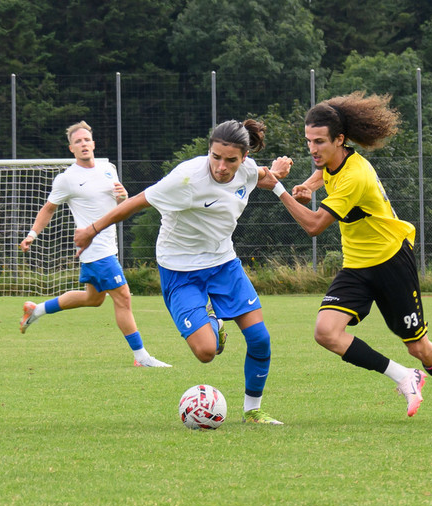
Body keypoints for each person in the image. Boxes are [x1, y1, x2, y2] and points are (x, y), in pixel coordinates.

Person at [265, 92, 432, 422]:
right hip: (357, 265)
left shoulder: (355, 176)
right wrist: (307, 185)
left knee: (419, 347)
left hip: (392, 263)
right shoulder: (336, 161)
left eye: (319, 141)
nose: (313, 149)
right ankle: (404, 377)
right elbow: (325, 172)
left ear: (340, 140)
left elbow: (315, 225)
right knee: (326, 332)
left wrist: (279, 188)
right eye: (308, 141)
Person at [74, 119, 293, 424]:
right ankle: (214, 326)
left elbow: (263, 177)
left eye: (230, 160)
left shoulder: (247, 170)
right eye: (215, 157)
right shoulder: (187, 178)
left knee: (260, 339)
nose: (221, 166)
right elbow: (136, 203)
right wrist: (92, 230)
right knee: (206, 352)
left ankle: (252, 411)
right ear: (209, 151)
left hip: (224, 264)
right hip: (180, 269)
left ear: (243, 157)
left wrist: (279, 175)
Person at [19, 121, 169, 368]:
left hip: (109, 246)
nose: (83, 144)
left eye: (86, 140)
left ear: (94, 144)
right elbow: (48, 209)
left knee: (93, 299)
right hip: (96, 250)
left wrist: (123, 196)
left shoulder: (108, 168)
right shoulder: (67, 179)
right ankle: (141, 357)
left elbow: (121, 204)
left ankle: (36, 310)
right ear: (71, 149)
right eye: (78, 141)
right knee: (123, 298)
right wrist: (32, 235)